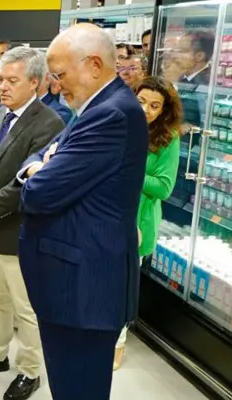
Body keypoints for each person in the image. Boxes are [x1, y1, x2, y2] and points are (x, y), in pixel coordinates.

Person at [16, 24, 148, 400]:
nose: (55, 86)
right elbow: (38, 158)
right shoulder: (95, 108)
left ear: (93, 64)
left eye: (59, 74)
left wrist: (41, 171)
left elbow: (39, 192)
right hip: (73, 282)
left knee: (78, 388)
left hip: (84, 287)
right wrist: (41, 167)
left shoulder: (110, 115)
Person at [0, 47, 64, 400]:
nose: (1, 86)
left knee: (26, 307)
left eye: (11, 80)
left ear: (34, 82)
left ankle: (30, 370)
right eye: (0, 79)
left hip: (18, 230)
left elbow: (30, 183)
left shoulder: (50, 124)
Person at [114, 76, 181, 370]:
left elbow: (164, 187)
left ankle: (116, 345)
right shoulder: (119, 124)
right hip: (105, 219)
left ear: (164, 110)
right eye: (141, 101)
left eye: (155, 106)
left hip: (137, 225)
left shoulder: (168, 139)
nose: (146, 110)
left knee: (120, 291)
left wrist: (129, 165)